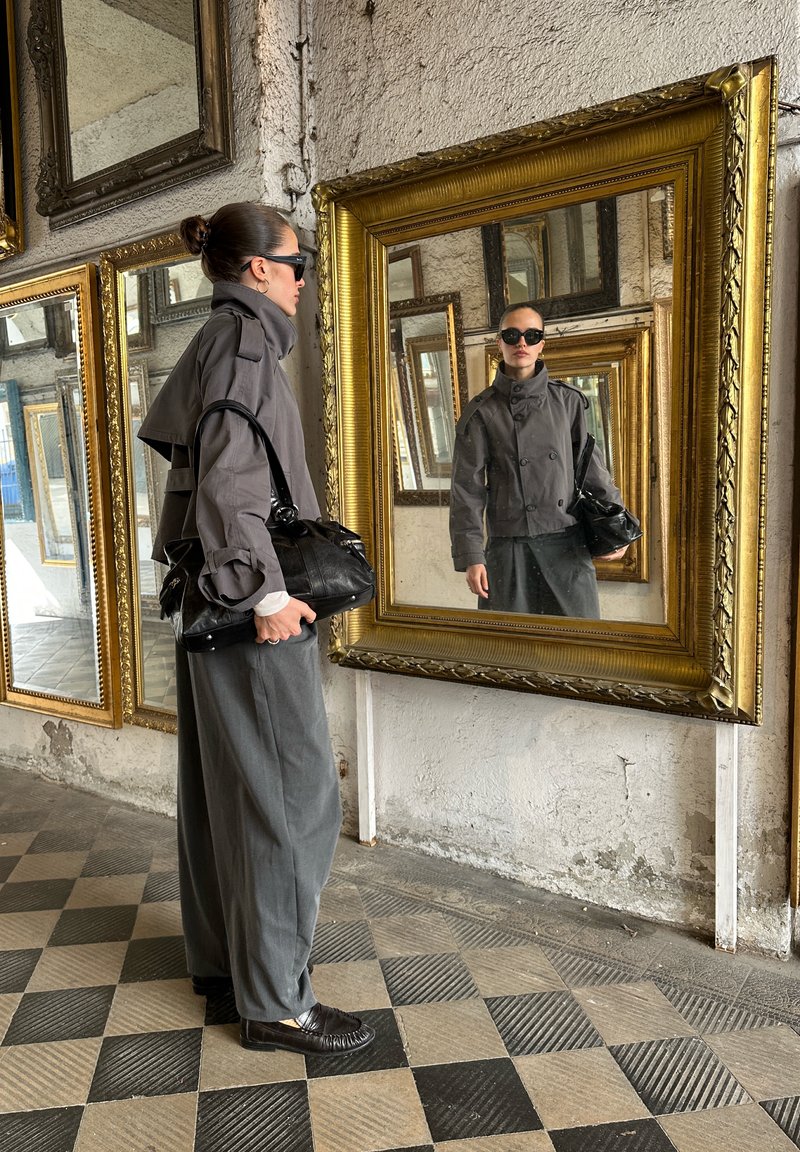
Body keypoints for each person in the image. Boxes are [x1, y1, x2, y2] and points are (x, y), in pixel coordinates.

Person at [137, 202, 374, 1057]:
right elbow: (230, 491)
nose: (305, 278)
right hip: (246, 612)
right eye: (297, 262)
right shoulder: (245, 348)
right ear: (259, 269)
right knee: (296, 802)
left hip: (207, 606)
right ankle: (276, 1004)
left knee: (223, 794)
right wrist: (267, 596)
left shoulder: (214, 343)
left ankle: (224, 970)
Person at [449, 302, 630, 617]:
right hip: (508, 548)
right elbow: (467, 489)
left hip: (567, 545)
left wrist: (619, 526)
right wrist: (472, 555)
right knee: (509, 643)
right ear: (500, 343)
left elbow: (591, 469)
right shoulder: (481, 412)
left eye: (531, 336)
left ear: (541, 344)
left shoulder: (568, 401)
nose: (521, 343)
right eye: (512, 335)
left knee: (580, 640)